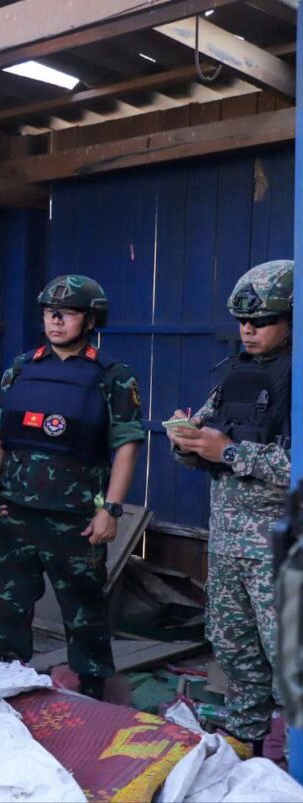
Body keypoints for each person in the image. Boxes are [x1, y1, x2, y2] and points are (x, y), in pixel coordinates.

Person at [0, 274, 144, 700]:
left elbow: (127, 445)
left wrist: (111, 508)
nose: (55, 321)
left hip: (75, 520)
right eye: (50, 313)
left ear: (90, 320)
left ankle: (91, 695)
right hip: (15, 512)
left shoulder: (113, 376)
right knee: (8, 609)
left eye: (67, 313)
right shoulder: (22, 368)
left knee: (85, 614)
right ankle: (6, 690)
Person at [168, 260, 293, 754]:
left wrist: (231, 453)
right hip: (228, 544)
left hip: (280, 551)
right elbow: (206, 435)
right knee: (236, 651)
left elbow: (295, 466)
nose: (248, 330)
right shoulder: (236, 375)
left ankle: (295, 762)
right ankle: (245, 745)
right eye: (242, 321)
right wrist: (185, 440)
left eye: (261, 321)